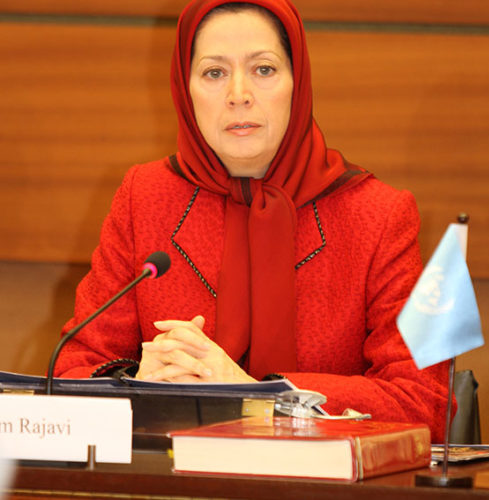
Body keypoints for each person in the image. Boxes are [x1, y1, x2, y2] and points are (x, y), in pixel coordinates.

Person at [56, 0, 450, 441]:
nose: (238, 93)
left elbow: (424, 402)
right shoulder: (145, 197)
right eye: (214, 73)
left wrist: (259, 396)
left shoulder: (378, 215)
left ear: (297, 83)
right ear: (184, 90)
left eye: (263, 70)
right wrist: (137, 381)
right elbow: (72, 369)